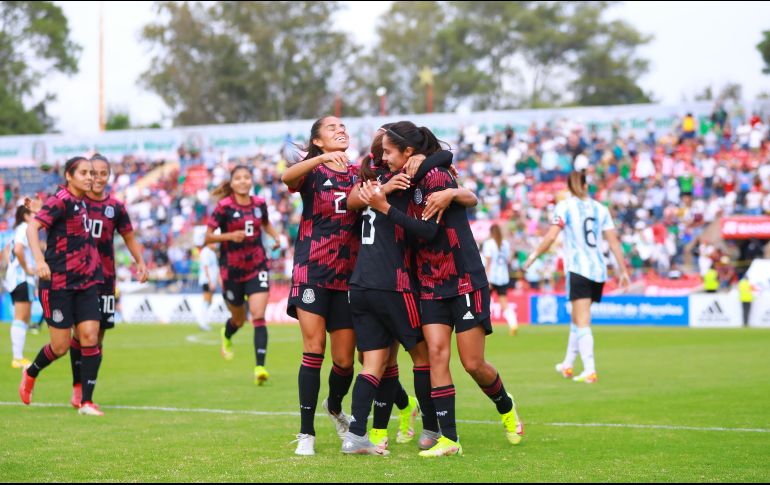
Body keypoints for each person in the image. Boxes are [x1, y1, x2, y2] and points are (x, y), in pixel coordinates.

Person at [367, 121, 524, 457]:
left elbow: (427, 233)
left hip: (463, 278)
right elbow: (373, 166)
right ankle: (449, 440)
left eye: (390, 152)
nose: (385, 158)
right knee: (437, 355)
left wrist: (387, 208)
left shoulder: (437, 177)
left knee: (472, 364)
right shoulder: (404, 175)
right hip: (428, 282)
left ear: (407, 151)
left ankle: (505, 403)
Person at [341, 123, 479, 455]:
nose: (387, 157)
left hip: (360, 283)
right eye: (385, 152)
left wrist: (422, 160)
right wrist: (422, 162)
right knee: (424, 358)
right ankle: (431, 429)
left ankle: (360, 435)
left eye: (391, 151)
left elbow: (351, 203)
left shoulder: (372, 182)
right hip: (395, 284)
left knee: (376, 363)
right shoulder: (399, 183)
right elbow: (442, 162)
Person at [281, 116, 360, 456]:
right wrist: (319, 158)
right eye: (332, 128)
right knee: (313, 350)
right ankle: (306, 434)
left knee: (344, 362)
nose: (340, 130)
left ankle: (335, 405)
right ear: (317, 140)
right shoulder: (311, 171)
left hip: (349, 277)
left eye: (343, 126)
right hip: (311, 271)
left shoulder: (359, 173)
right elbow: (286, 176)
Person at [524, 171, 630, 384]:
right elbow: (614, 242)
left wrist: (533, 256)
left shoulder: (565, 206)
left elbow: (551, 236)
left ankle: (590, 369)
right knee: (577, 316)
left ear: (569, 187)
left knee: (582, 320)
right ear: (586, 185)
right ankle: (568, 364)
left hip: (579, 269)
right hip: (598, 270)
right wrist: (623, 270)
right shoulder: (601, 209)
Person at [20, 157, 105, 416]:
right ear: (69, 175)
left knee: (90, 335)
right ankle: (31, 371)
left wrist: (40, 205)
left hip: (86, 282)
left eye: (92, 173)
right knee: (60, 346)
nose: (90, 177)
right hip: (57, 283)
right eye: (84, 173)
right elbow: (33, 228)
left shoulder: (79, 200)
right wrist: (38, 259)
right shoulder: (62, 200)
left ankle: (86, 402)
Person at [67, 154, 148, 409]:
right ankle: (78, 389)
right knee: (80, 334)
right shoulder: (72, 203)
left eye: (103, 173)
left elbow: (129, 237)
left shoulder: (116, 207)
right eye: (93, 173)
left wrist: (140, 262)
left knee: (97, 337)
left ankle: (88, 390)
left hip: (104, 279)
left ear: (109, 176)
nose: (98, 178)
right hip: (76, 278)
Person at [205, 165, 280, 385]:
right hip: (231, 269)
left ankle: (260, 367)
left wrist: (275, 237)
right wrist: (229, 235)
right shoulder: (223, 207)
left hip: (257, 266)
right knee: (239, 319)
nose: (243, 181)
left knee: (258, 315)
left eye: (247, 177)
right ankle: (227, 335)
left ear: (251, 180)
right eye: (238, 178)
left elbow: (265, 222)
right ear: (232, 182)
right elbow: (208, 238)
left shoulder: (259, 204)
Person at [4, 205, 37, 368]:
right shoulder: (25, 228)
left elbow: (6, 250)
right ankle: (17, 357)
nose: (37, 215)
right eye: (33, 213)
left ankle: (18, 356)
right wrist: (26, 268)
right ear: (25, 216)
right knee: (21, 316)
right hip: (21, 278)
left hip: (20, 279)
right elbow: (17, 249)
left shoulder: (19, 229)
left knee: (24, 317)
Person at [482, 224, 518, 336]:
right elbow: (507, 260)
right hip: (503, 276)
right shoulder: (505, 244)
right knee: (504, 303)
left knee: (485, 302)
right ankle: (513, 324)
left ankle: (485, 326)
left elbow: (488, 263)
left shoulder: (489, 244)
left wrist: (486, 277)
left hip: (491, 277)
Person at [197, 241, 220, 331]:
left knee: (209, 301)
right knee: (206, 300)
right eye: (213, 243)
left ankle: (204, 321)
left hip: (211, 281)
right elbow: (206, 267)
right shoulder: (205, 252)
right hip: (206, 280)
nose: (215, 245)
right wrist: (210, 281)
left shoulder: (212, 252)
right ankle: (202, 322)